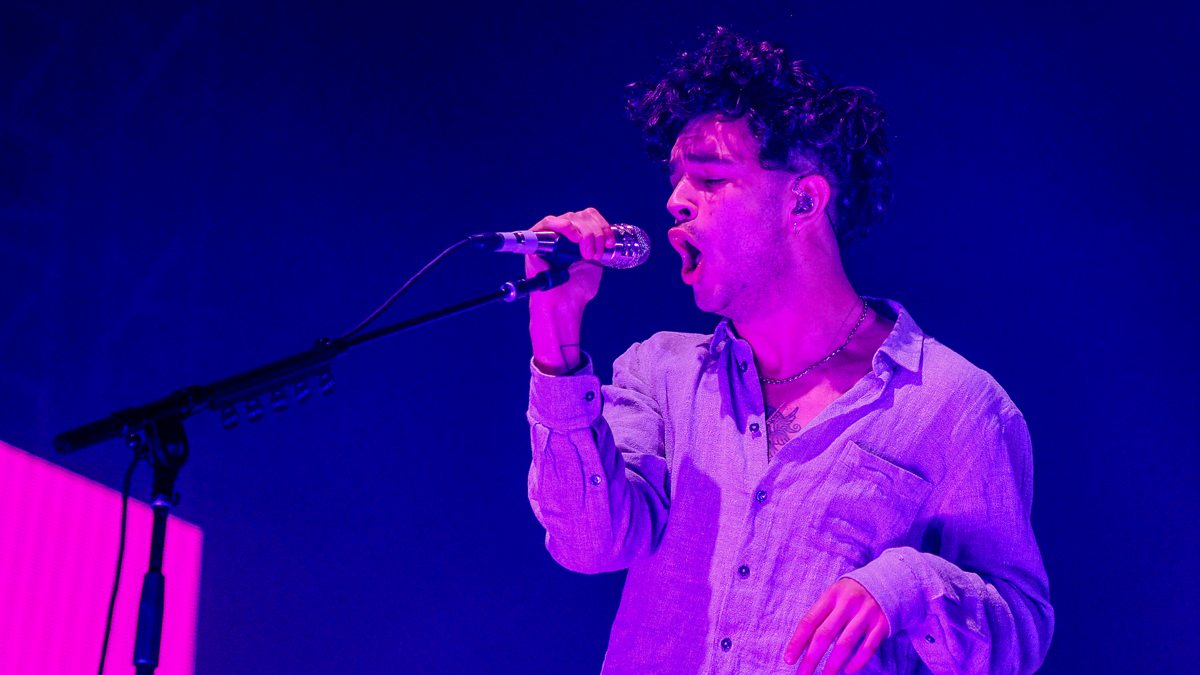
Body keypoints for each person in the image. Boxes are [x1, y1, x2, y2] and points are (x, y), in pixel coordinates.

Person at [523, 28, 1053, 674]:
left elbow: (1019, 632)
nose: (675, 201)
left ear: (803, 200)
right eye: (677, 180)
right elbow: (587, 541)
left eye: (710, 178)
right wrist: (555, 331)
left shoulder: (955, 406)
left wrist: (912, 585)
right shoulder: (659, 373)